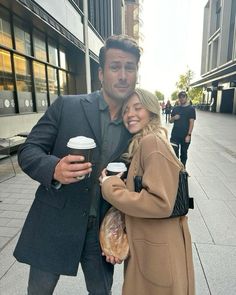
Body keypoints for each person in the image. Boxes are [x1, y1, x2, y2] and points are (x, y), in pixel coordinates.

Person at [13, 34, 142, 295]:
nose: (123, 75)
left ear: (137, 72)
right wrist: (54, 168)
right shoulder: (66, 106)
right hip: (55, 221)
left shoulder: (137, 125)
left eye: (130, 67)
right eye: (115, 67)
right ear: (101, 73)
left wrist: (124, 230)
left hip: (102, 231)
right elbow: (29, 150)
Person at [100, 88, 195, 295]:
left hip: (157, 255)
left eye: (137, 108)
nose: (130, 114)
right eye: (125, 110)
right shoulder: (146, 142)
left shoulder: (151, 143)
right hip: (152, 249)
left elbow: (159, 202)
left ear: (152, 111)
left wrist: (109, 185)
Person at [169, 91, 196, 167]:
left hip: (185, 136)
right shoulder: (175, 109)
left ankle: (183, 170)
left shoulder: (191, 109)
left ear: (186, 98)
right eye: (180, 97)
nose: (181, 98)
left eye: (183, 97)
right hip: (175, 136)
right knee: (174, 153)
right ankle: (176, 169)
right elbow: (170, 121)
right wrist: (174, 118)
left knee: (183, 154)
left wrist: (189, 135)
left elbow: (191, 123)